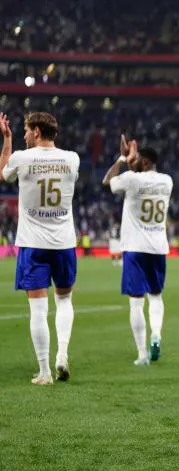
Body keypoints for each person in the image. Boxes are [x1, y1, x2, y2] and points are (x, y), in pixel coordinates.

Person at [0, 111, 80, 384]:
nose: (23, 135)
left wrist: (7, 140)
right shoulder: (72, 159)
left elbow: (3, 174)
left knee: (37, 309)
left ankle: (45, 371)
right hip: (64, 243)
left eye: (25, 131)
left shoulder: (22, 158)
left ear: (36, 131)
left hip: (33, 245)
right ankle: (63, 354)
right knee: (65, 301)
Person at [103, 138, 174, 366]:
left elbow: (108, 181)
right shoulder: (167, 181)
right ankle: (156, 334)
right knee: (156, 296)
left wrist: (123, 158)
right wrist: (134, 161)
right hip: (158, 247)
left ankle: (142, 354)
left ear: (143, 161)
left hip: (134, 248)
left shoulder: (132, 179)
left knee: (136, 302)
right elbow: (138, 177)